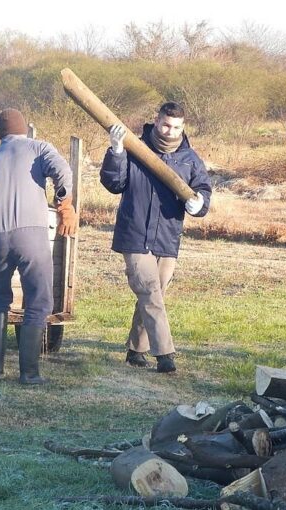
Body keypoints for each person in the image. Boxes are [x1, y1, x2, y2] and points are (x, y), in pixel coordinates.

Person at [100, 102, 212, 373]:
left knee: (155, 293)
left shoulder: (190, 159)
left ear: (182, 127)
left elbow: (203, 190)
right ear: (156, 120)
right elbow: (114, 184)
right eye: (165, 124)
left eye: (175, 127)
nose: (169, 131)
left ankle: (136, 349)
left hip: (167, 236)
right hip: (135, 233)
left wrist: (200, 203)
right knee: (149, 290)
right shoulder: (135, 148)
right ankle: (165, 354)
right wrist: (116, 151)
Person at [0, 108, 77, 384]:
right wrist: (64, 202)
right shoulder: (39, 148)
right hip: (31, 235)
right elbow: (63, 171)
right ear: (24, 129)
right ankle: (30, 373)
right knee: (38, 300)